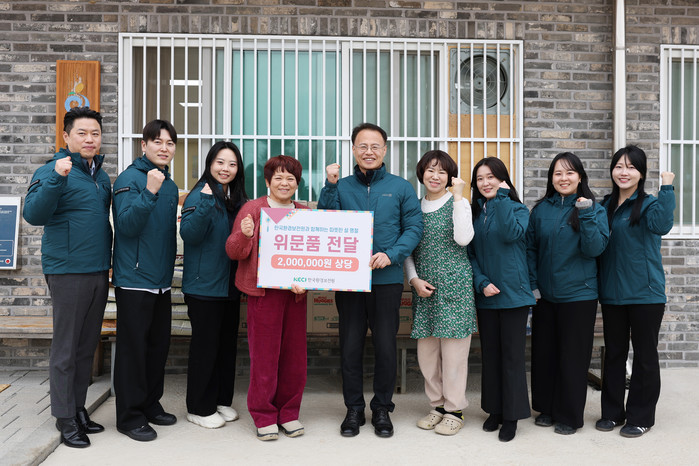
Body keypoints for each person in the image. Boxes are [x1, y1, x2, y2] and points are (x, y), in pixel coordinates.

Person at [318, 122, 423, 438]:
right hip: (349, 280)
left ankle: (381, 409)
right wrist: (330, 186)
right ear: (353, 149)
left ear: (385, 149)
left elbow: (413, 228)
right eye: (362, 146)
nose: (369, 151)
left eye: (375, 146)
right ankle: (353, 409)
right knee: (349, 347)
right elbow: (325, 223)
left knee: (385, 347)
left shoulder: (401, 187)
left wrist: (391, 255)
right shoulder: (341, 186)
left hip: (386, 280)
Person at [23, 107, 111, 448]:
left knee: (86, 346)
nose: (90, 139)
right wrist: (58, 178)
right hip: (67, 271)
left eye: (95, 134)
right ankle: (64, 417)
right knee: (66, 348)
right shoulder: (52, 169)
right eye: (82, 133)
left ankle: (77, 408)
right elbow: (33, 214)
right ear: (66, 136)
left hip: (97, 270)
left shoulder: (101, 176)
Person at [225, 155, 308, 441]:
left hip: (295, 295)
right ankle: (264, 414)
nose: (284, 183)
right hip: (263, 295)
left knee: (294, 358)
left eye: (290, 178)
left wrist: (307, 282)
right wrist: (245, 235)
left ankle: (289, 413)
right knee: (265, 357)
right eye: (278, 177)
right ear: (267, 182)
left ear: (297, 183)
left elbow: (312, 258)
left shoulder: (304, 212)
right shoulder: (253, 209)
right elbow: (234, 251)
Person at [525, 152, 609, 435]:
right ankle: (546, 409)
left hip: (579, 296)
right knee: (545, 354)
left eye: (570, 172)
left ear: (580, 177)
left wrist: (585, 213)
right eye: (558, 173)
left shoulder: (594, 210)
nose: (563, 178)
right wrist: (534, 285)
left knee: (573, 358)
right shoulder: (540, 210)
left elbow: (594, 249)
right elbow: (530, 250)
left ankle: (570, 416)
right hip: (545, 296)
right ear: (551, 178)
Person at [595, 145, 675, 438]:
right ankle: (612, 413)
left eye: (631, 167)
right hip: (613, 293)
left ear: (641, 174)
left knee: (644, 356)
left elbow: (663, 225)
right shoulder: (605, 206)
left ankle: (641, 417)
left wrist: (667, 186)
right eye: (619, 166)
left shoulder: (650, 205)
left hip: (645, 294)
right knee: (614, 354)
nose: (623, 172)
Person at [112, 119, 179, 442]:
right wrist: (149, 191)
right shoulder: (130, 179)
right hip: (134, 280)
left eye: (170, 143)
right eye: (157, 142)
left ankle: (150, 404)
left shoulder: (170, 184)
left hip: (161, 281)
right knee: (133, 352)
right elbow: (126, 226)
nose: (164, 148)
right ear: (144, 145)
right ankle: (129, 416)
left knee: (156, 348)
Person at [404, 150, 476, 436]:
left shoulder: (459, 203)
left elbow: (463, 238)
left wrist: (458, 197)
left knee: (454, 354)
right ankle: (437, 405)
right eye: (430, 170)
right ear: (421, 173)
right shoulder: (413, 207)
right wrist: (413, 280)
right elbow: (408, 249)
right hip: (424, 288)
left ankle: (455, 409)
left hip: (455, 285)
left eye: (442, 172)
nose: (435, 176)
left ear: (450, 177)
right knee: (427, 354)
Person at [180, 141, 248, 429]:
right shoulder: (201, 194)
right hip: (204, 287)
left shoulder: (235, 197)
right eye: (220, 162)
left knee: (225, 346)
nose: (225, 169)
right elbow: (189, 234)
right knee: (206, 348)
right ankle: (199, 407)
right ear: (210, 164)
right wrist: (207, 203)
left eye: (232, 164)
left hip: (230, 286)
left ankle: (220, 400)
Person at [467, 157, 534, 442]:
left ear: (503, 180)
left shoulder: (518, 209)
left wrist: (503, 198)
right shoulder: (475, 213)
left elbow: (510, 233)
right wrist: (481, 282)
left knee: (512, 358)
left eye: (491, 177)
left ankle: (512, 416)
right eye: (480, 179)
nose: (485, 183)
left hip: (514, 296)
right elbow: (469, 254)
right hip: (486, 295)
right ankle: (494, 410)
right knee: (491, 356)